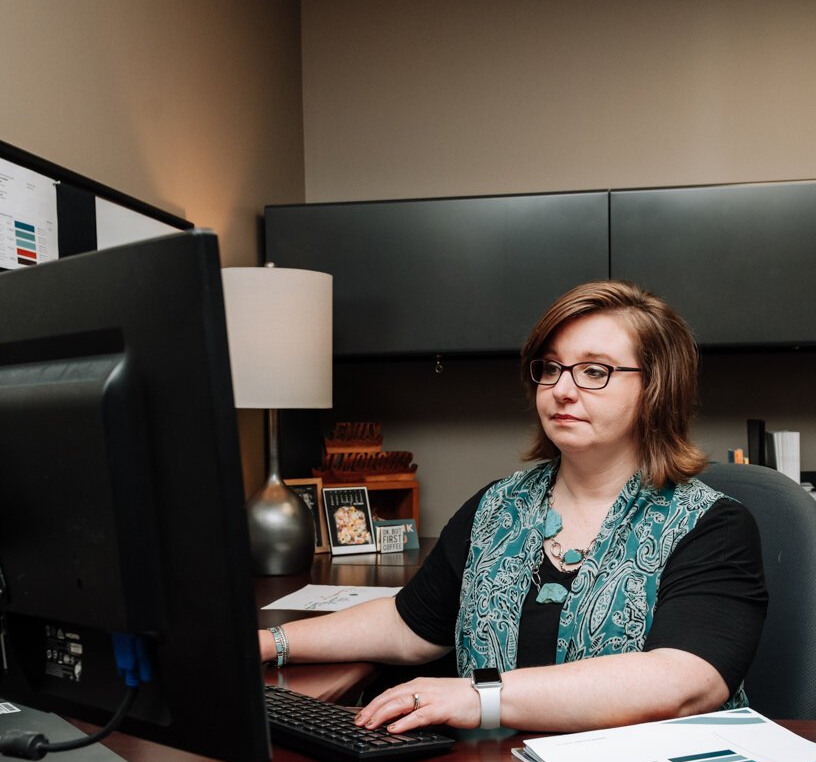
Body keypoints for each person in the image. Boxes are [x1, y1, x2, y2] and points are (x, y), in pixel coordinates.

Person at [257, 280, 766, 734]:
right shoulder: (498, 506)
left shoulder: (712, 525)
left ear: (656, 389)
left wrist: (480, 697)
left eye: (594, 371)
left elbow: (683, 681)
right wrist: (271, 643)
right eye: (551, 368)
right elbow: (409, 624)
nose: (562, 390)